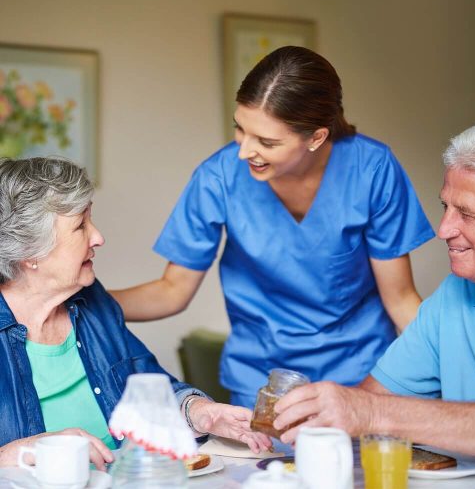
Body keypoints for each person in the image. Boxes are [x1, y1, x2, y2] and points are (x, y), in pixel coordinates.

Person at [110, 46, 434, 409]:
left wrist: (455, 379)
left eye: (267, 141)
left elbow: (401, 300)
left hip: (361, 378)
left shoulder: (371, 170)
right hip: (261, 382)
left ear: (316, 137)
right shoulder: (218, 178)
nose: (244, 151)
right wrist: (80, 301)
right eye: (240, 129)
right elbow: (172, 291)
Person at [0, 157, 271, 469]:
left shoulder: (91, 302)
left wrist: (197, 411)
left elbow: (152, 389)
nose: (98, 237)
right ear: (31, 252)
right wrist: (19, 452)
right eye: (80, 226)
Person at [273, 119, 475, 458]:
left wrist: (372, 414)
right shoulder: (456, 294)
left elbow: (374, 410)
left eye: (466, 213)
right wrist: (322, 413)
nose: (443, 230)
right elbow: (377, 398)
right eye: (445, 207)